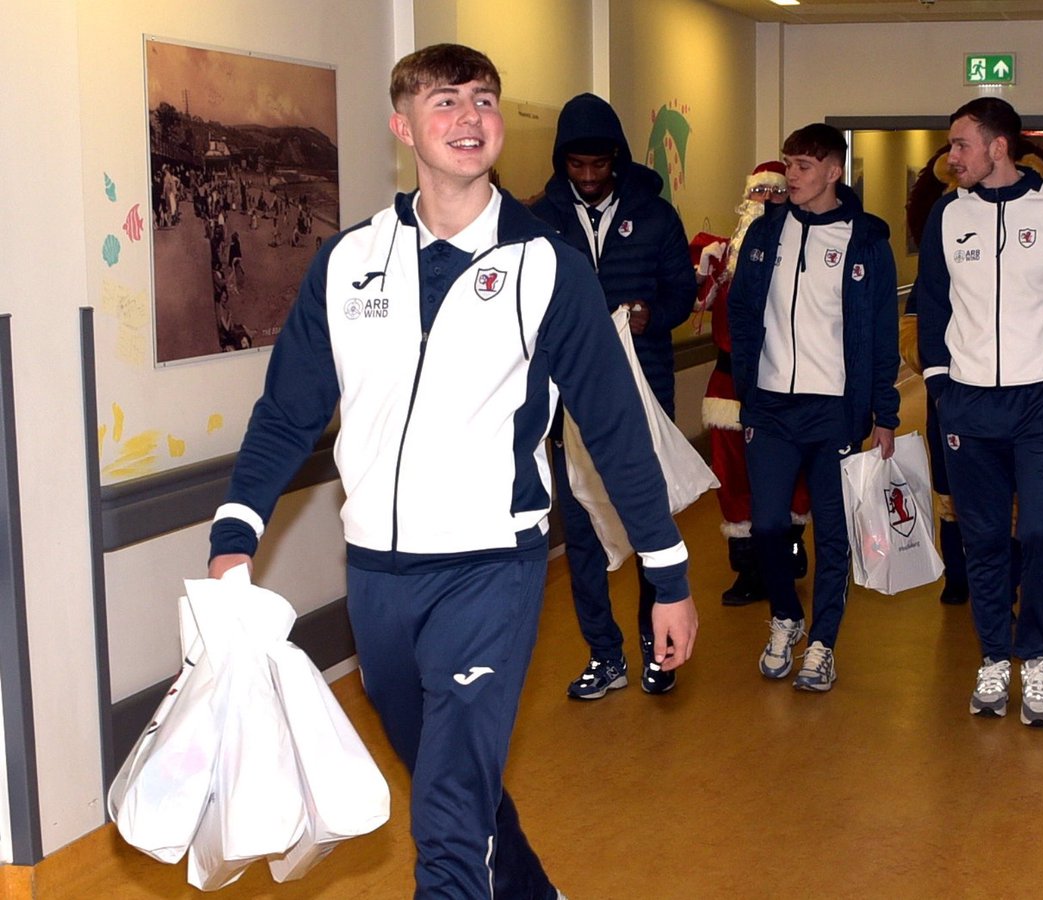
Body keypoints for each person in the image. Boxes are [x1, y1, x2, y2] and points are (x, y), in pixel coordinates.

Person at [207, 44, 698, 898]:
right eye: (445, 101)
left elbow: (616, 428)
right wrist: (235, 531)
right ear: (403, 127)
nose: (470, 116)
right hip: (377, 575)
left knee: (444, 822)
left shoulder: (546, 265)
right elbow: (288, 412)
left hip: (490, 569)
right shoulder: (348, 261)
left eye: (483, 100)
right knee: (446, 776)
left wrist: (668, 573)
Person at [913, 97, 1043, 726]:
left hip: (1040, 402)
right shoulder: (948, 215)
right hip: (968, 404)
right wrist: (940, 385)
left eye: (961, 144)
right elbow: (932, 303)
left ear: (997, 146)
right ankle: (992, 657)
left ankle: (1034, 658)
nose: (952, 157)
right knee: (981, 539)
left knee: (1036, 532)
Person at [530, 93, 696, 700]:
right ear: (562, 162)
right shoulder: (539, 221)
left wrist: (653, 315)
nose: (589, 176)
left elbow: (682, 293)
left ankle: (659, 647)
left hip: (644, 392)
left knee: (650, 524)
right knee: (582, 531)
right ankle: (605, 654)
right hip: (568, 403)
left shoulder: (655, 216)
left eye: (600, 165)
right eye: (578, 166)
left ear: (618, 159)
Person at [727, 124, 899, 692]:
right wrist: (749, 387)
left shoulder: (866, 241)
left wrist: (885, 413)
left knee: (832, 533)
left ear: (833, 171)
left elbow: (881, 334)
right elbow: (743, 313)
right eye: (788, 163)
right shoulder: (765, 233)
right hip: (771, 407)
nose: (791, 175)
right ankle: (785, 617)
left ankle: (823, 641)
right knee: (767, 525)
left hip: (834, 412)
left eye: (803, 166)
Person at [693, 161, 811, 606]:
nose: (766, 201)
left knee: (790, 471)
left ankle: (789, 547)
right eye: (759, 192)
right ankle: (747, 568)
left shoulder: (803, 252)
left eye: (776, 192)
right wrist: (701, 274)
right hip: (730, 384)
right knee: (733, 476)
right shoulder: (722, 256)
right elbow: (691, 300)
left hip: (784, 380)